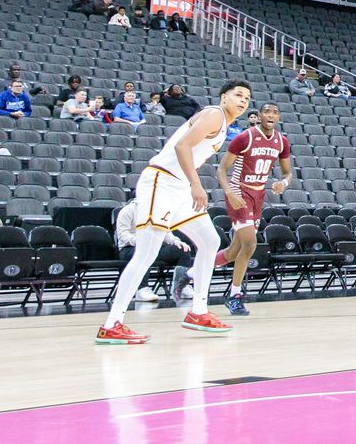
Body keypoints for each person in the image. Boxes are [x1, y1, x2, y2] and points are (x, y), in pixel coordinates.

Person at [96, 79, 252, 344]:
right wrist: (196, 184)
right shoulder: (214, 114)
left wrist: (189, 184)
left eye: (247, 99)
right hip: (162, 180)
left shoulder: (224, 125)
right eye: (238, 95)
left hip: (178, 187)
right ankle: (112, 323)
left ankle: (198, 312)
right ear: (223, 97)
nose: (243, 101)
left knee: (210, 241)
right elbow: (182, 146)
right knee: (146, 253)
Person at [214, 102, 291, 316]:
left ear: (279, 117)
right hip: (239, 192)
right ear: (259, 115)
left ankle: (190, 274)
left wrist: (282, 184)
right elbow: (221, 169)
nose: (271, 115)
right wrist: (229, 192)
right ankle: (234, 295)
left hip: (259, 195)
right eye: (267, 111)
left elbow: (287, 174)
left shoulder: (281, 141)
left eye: (275, 112)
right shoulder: (244, 137)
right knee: (249, 244)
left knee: (233, 252)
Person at [113, 199, 196, 303]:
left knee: (182, 249)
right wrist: (141, 241)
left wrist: (175, 241)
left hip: (154, 248)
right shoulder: (128, 211)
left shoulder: (158, 212)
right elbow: (123, 235)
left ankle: (182, 287)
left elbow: (166, 232)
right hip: (129, 248)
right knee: (145, 251)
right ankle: (141, 289)